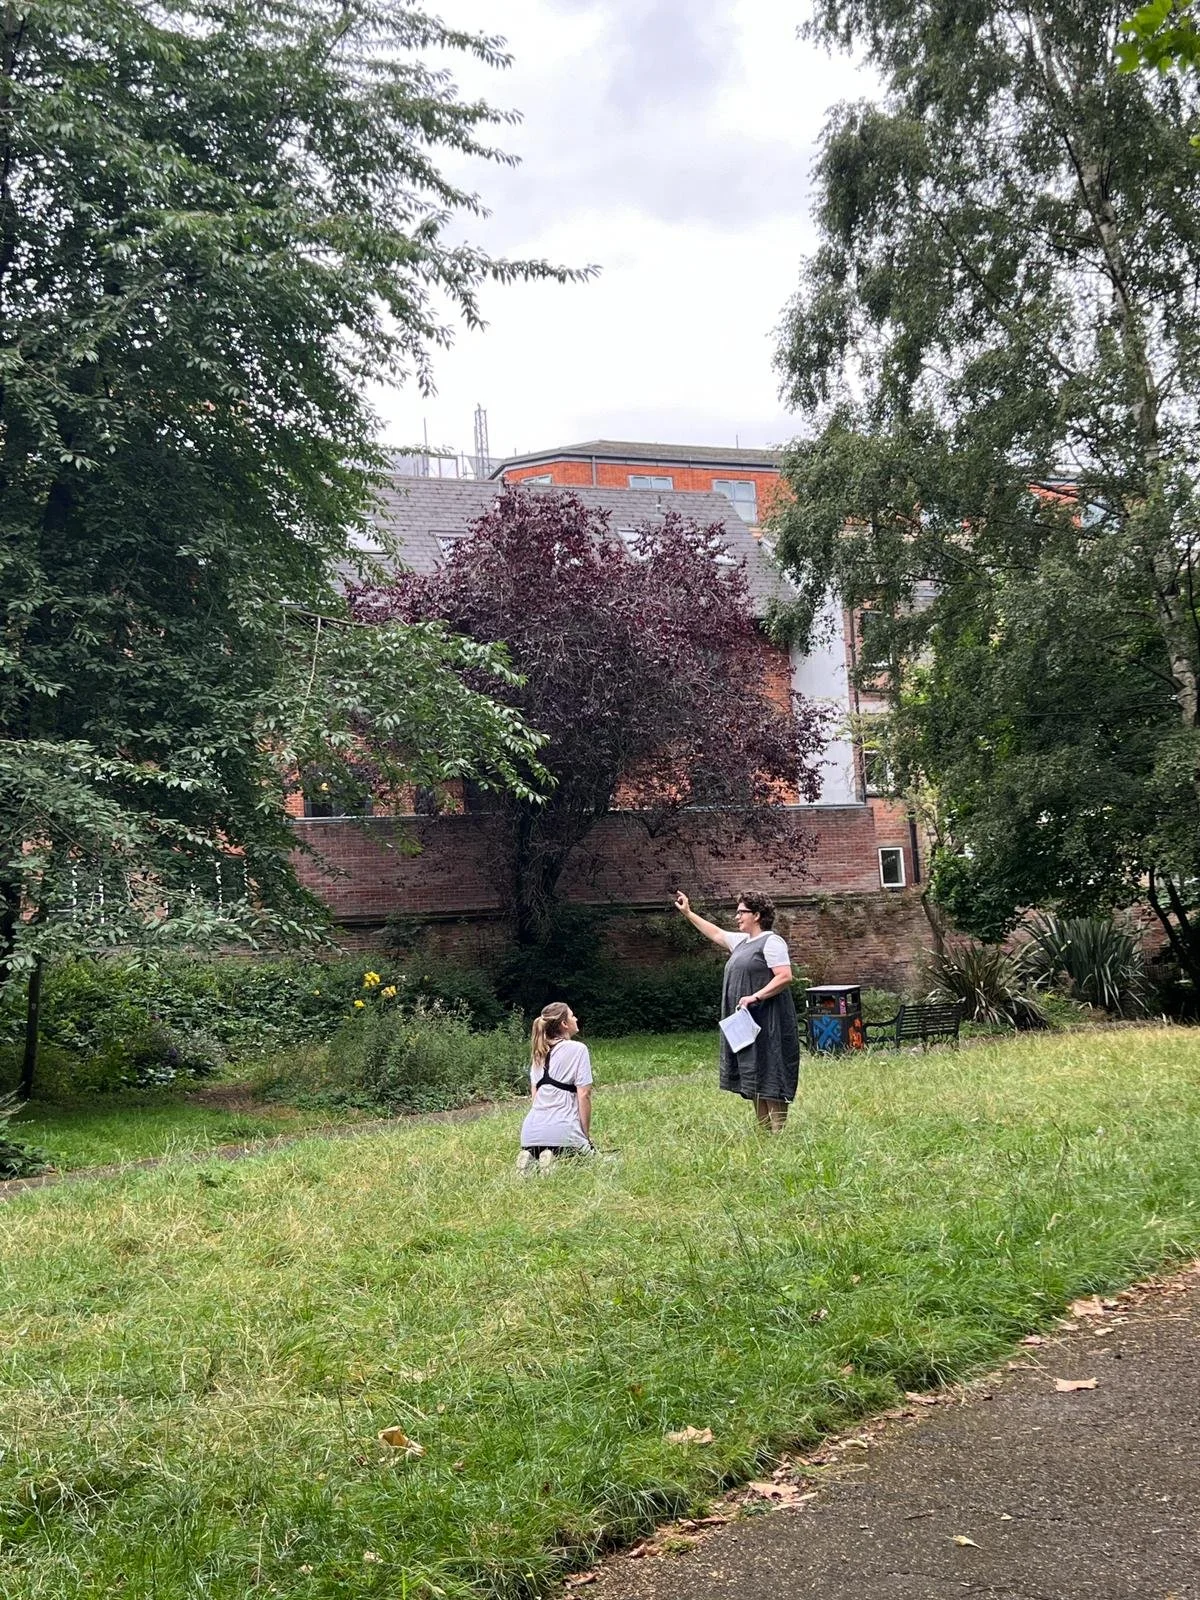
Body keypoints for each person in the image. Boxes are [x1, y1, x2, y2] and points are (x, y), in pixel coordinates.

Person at [673, 889, 799, 1132]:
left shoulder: (772, 942)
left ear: (758, 915)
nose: (737, 916)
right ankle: (764, 1132)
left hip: (768, 1021)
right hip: (746, 1024)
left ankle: (778, 1134)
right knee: (754, 1073)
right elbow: (717, 933)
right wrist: (689, 913)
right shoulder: (742, 942)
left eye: (742, 912)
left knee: (771, 1071)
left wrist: (756, 996)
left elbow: (784, 976)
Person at [516, 1001, 595, 1173]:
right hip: (563, 1128)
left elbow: (535, 1099)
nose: (576, 1018)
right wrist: (585, 1135)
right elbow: (584, 1094)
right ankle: (553, 1157)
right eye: (572, 1015)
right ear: (564, 1024)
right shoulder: (578, 1049)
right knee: (592, 1164)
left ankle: (532, 1155)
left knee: (545, 1149)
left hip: (530, 1132)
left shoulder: (538, 1054)